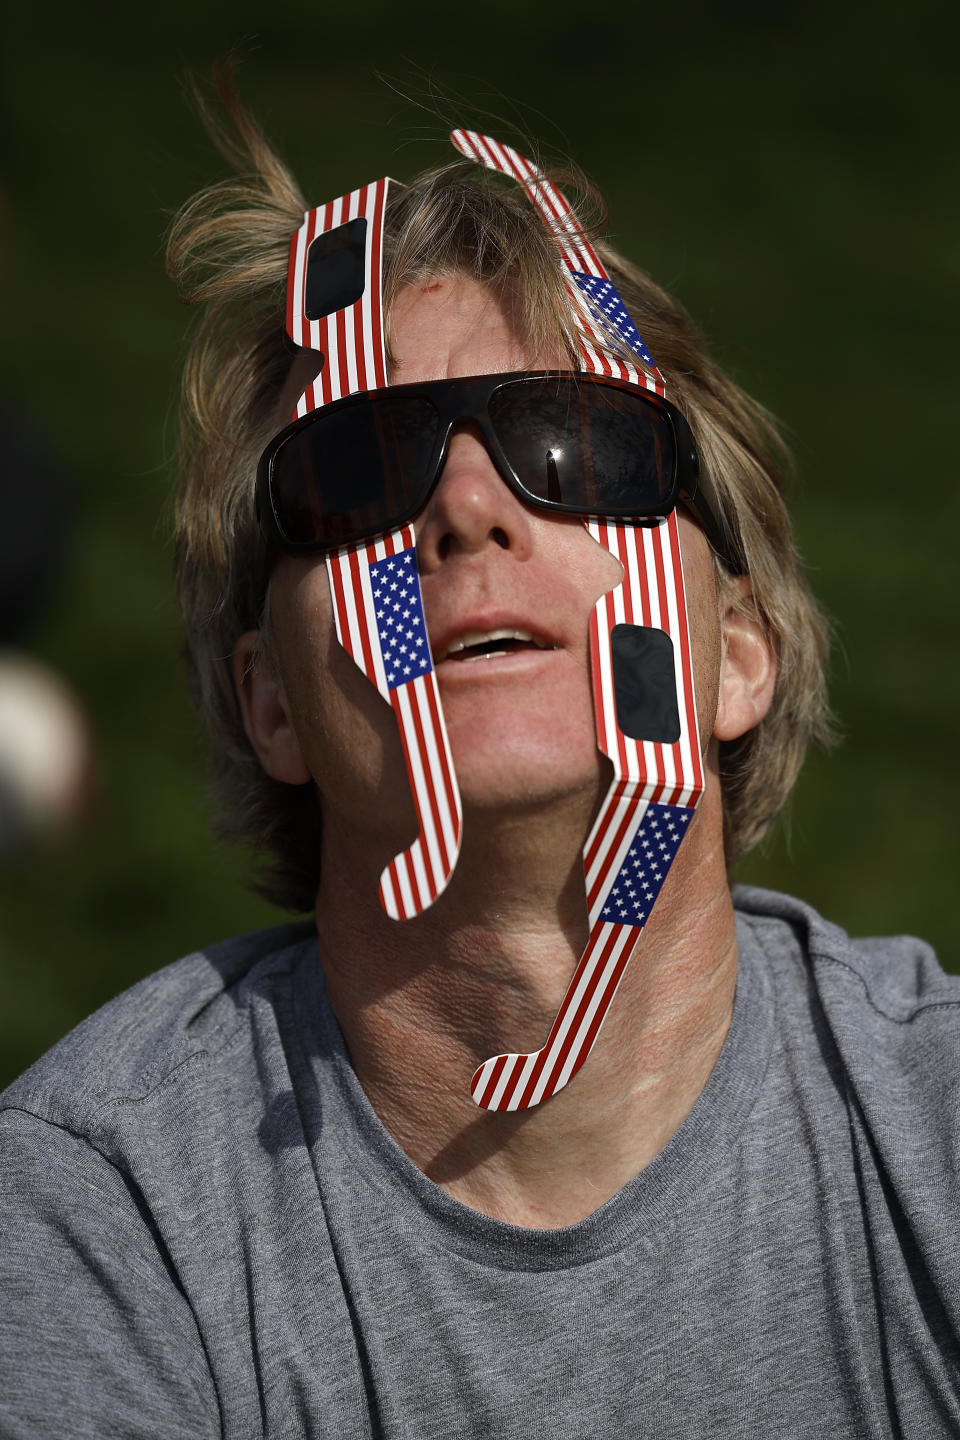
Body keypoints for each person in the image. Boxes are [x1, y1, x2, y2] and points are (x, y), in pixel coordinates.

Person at [2, 86, 958, 1439]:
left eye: (577, 444)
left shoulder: (934, 1132)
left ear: (737, 652)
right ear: (270, 703)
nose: (463, 511)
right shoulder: (99, 1216)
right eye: (358, 470)